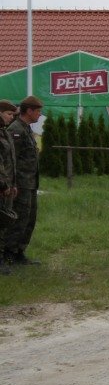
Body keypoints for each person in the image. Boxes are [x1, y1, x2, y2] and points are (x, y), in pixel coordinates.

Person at [3, 95, 43, 266]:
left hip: (30, 183)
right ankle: (9, 253)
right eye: (38, 111)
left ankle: (19, 251)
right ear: (29, 111)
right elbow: (10, 160)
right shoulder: (16, 130)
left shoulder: (26, 128)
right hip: (20, 184)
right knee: (18, 220)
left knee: (29, 219)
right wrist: (11, 184)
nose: (39, 114)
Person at [0, 100, 17, 274]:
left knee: (4, 223)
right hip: (1, 186)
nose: (11, 118)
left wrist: (13, 184)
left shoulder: (4, 132)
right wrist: (4, 184)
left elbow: (10, 162)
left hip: (7, 185)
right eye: (8, 114)